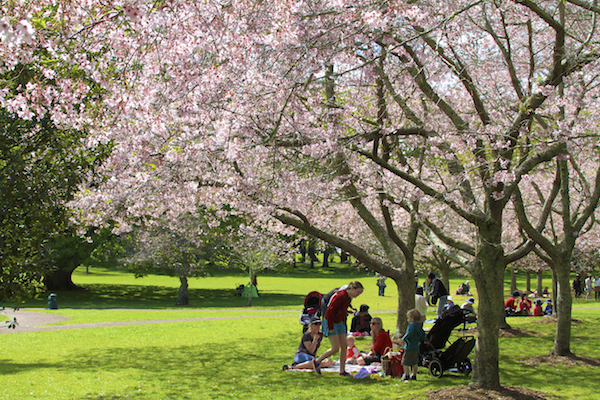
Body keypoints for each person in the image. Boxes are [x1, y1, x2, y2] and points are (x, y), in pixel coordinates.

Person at [313, 281, 364, 376]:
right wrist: (330, 327)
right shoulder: (340, 296)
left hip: (340, 322)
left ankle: (342, 370)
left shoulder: (348, 297)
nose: (358, 295)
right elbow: (329, 312)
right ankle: (317, 361)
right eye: (358, 292)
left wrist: (344, 326)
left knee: (344, 346)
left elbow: (343, 310)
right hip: (331, 322)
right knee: (335, 348)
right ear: (352, 289)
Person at [400, 309, 426, 382]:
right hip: (416, 346)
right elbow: (423, 334)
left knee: (405, 362)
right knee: (415, 362)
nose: (408, 320)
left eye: (408, 318)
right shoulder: (419, 325)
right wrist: (419, 340)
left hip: (409, 346)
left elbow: (409, 333)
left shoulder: (411, 325)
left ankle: (406, 374)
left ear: (412, 318)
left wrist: (404, 338)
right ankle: (414, 375)